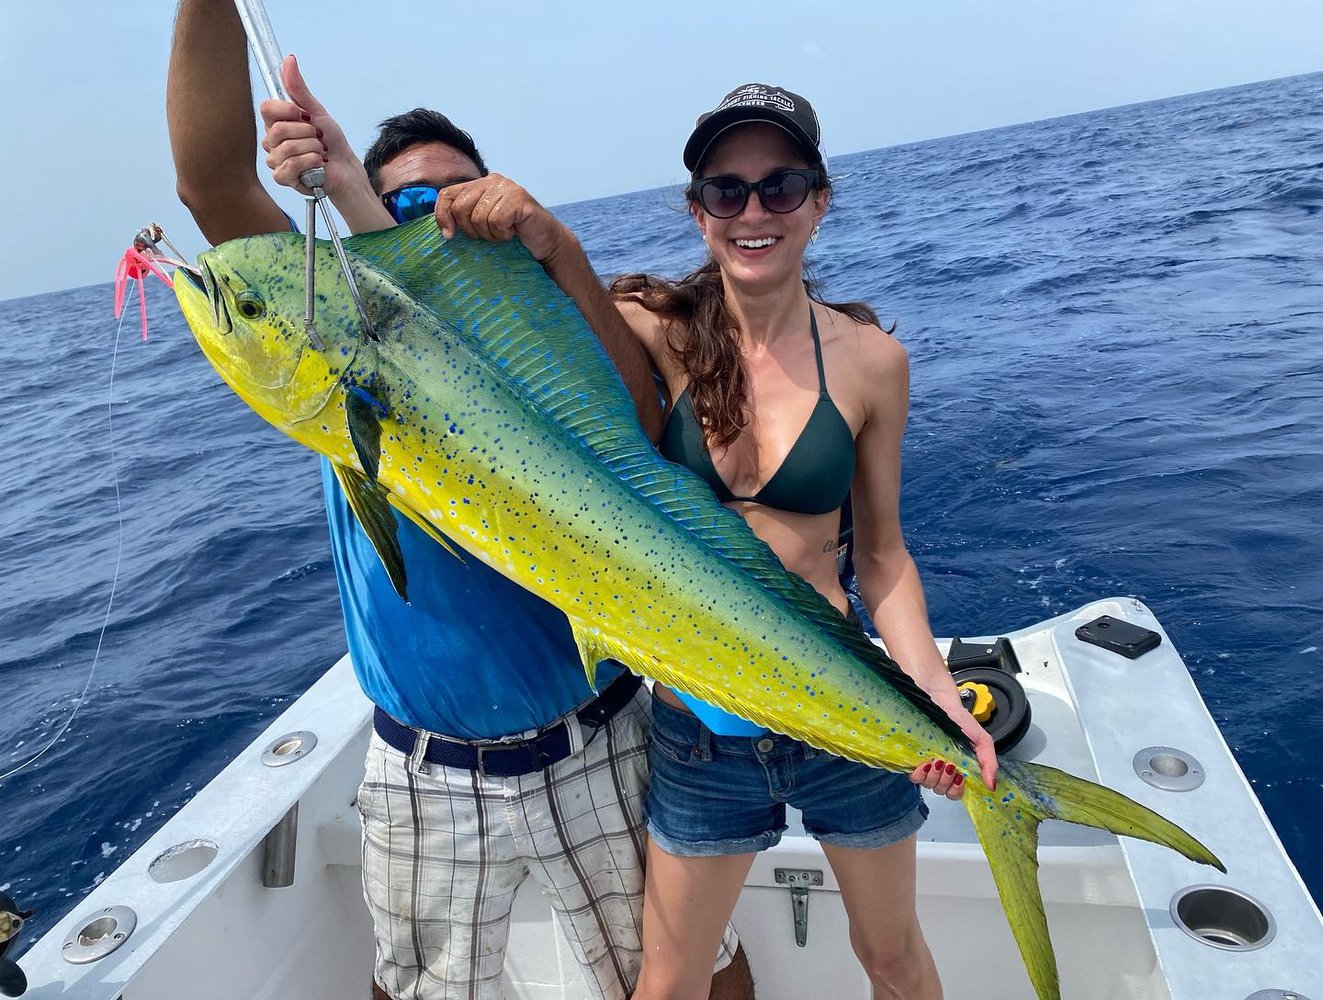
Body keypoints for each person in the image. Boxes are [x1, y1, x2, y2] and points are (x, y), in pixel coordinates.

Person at [165, 4, 751, 998]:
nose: (426, 220)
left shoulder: (541, 326)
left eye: (452, 200)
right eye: (399, 209)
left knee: (700, 973)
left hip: (600, 733)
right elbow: (209, 180)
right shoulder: (331, 319)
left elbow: (647, 422)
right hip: (423, 768)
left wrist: (551, 247)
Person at [609, 85, 1000, 1000]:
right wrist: (347, 183)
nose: (753, 211)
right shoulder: (650, 327)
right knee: (666, 983)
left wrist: (933, 692)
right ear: (696, 209)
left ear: (819, 202)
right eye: (725, 191)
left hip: (845, 714)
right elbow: (492, 323)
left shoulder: (869, 360)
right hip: (698, 727)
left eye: (780, 187)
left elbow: (882, 557)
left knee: (892, 958)